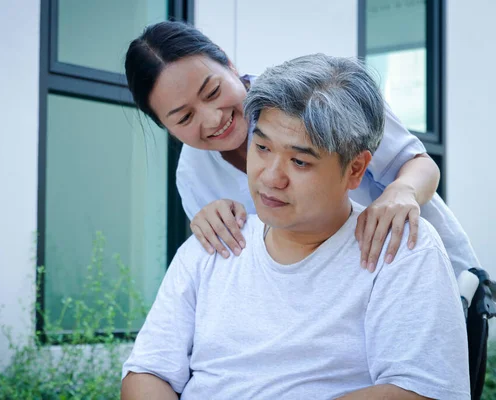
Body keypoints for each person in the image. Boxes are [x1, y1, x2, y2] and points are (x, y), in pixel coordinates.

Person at [121, 54, 469, 399]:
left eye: (300, 161)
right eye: (260, 147)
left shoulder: (402, 247)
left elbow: (422, 388)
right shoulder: (206, 247)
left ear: (355, 169)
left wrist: (402, 190)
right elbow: (147, 372)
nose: (270, 178)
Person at [124, 21, 480, 276]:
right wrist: (207, 224)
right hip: (339, 300)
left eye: (213, 91)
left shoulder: (316, 92)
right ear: (164, 126)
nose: (213, 118)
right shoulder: (193, 175)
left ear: (230, 66)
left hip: (422, 268)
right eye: (184, 117)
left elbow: (419, 164)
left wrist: (401, 191)